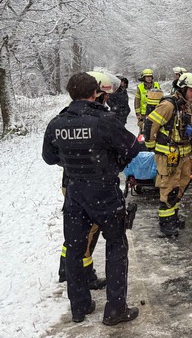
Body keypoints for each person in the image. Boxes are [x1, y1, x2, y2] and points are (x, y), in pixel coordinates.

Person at [42, 72, 140, 325]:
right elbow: (132, 147)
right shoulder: (104, 120)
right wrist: (115, 162)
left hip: (75, 193)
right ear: (95, 92)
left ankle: (80, 306)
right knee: (116, 246)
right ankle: (115, 309)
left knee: (74, 249)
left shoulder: (57, 122)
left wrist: (73, 162)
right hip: (104, 192)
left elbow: (49, 157)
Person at [57, 71, 116, 291]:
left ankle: (69, 268)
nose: (106, 99)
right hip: (89, 184)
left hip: (74, 181)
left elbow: (52, 155)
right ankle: (83, 274)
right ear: (95, 93)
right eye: (104, 94)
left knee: (77, 233)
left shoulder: (66, 117)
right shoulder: (96, 120)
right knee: (89, 231)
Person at [145, 72, 192, 237]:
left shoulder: (186, 106)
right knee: (168, 187)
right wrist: (150, 145)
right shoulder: (169, 105)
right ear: (182, 89)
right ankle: (166, 223)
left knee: (180, 187)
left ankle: (173, 217)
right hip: (168, 155)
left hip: (183, 154)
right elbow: (151, 123)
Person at [134, 69, 161, 133]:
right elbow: (137, 101)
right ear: (144, 78)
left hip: (156, 113)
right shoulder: (140, 87)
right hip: (144, 115)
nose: (149, 78)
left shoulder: (157, 85)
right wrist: (138, 114)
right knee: (143, 132)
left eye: (150, 76)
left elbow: (161, 99)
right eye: (147, 77)